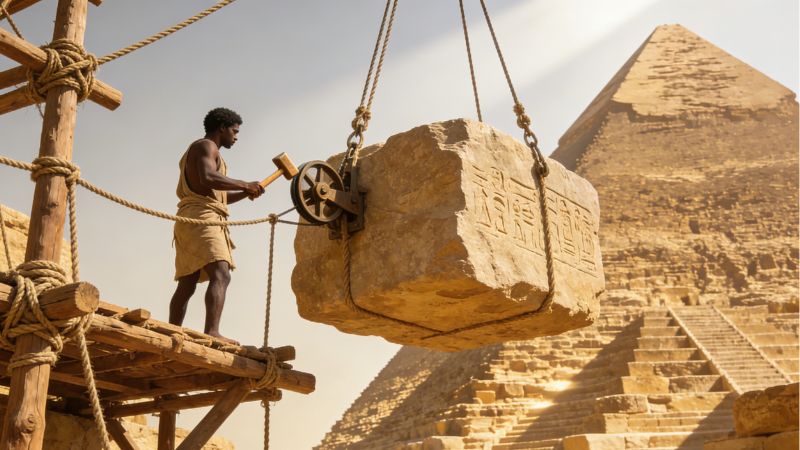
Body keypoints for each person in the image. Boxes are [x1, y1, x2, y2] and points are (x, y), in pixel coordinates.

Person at [168, 107, 265, 345]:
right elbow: (207, 178)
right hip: (201, 218)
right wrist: (244, 184)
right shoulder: (205, 146)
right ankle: (212, 331)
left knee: (188, 281)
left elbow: (216, 195)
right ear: (222, 127)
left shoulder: (210, 152)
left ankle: (170, 329)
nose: (236, 136)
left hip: (197, 216)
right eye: (234, 131)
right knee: (221, 272)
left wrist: (246, 192)